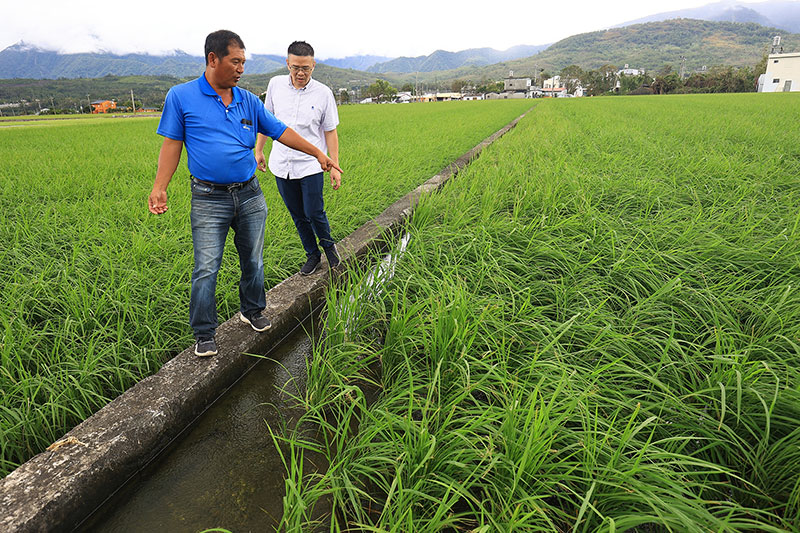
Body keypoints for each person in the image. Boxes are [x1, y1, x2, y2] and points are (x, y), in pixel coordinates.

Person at [148, 30, 342, 357]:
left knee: (253, 259)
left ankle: (252, 311)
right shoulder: (181, 97)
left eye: (243, 62)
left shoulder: (248, 100)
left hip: (250, 194)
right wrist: (159, 187)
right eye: (235, 61)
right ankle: (205, 332)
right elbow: (172, 144)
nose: (241, 68)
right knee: (207, 266)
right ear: (213, 59)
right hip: (209, 197)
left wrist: (320, 155)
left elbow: (281, 131)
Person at [255, 41, 341, 276]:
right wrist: (259, 150)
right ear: (287, 64)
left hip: (311, 164)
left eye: (306, 68)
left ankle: (330, 250)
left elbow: (330, 131)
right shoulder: (275, 85)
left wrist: (334, 164)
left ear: (313, 65)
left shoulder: (323, 93)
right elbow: (267, 120)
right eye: (295, 68)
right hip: (281, 164)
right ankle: (312, 255)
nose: (300, 73)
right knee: (297, 214)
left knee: (314, 211)